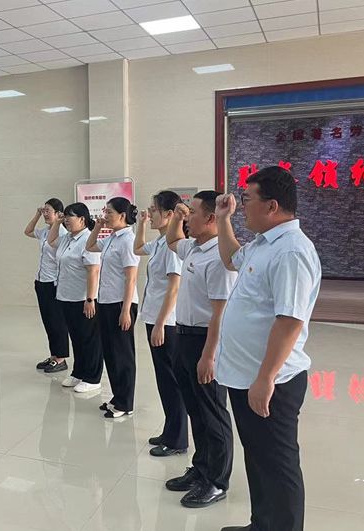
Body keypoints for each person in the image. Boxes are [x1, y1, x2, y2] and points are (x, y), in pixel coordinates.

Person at [215, 167, 321, 531]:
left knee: (278, 465)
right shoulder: (263, 244)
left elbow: (289, 321)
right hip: (246, 376)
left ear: (272, 206)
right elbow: (230, 258)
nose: (242, 206)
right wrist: (222, 219)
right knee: (259, 459)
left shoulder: (291, 251)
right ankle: (261, 524)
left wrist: (265, 378)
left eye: (247, 199)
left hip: (272, 381)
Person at [164, 190, 237, 509]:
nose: (187, 218)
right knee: (195, 408)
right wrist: (178, 216)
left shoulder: (219, 258)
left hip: (206, 340)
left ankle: (217, 481)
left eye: (192, 213)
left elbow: (220, 312)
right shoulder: (193, 248)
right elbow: (171, 240)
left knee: (212, 412)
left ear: (210, 218)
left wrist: (209, 356)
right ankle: (201, 467)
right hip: (184, 336)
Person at [134, 191, 187, 456]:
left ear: (169, 214)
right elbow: (137, 249)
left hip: (166, 323)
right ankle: (170, 430)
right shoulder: (159, 243)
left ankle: (177, 440)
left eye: (154, 209)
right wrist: (142, 224)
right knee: (163, 379)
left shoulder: (174, 247)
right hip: (155, 318)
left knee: (172, 381)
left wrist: (160, 323)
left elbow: (174, 289)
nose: (150, 212)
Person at [86, 197, 140, 419]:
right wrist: (97, 227)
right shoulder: (111, 239)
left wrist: (126, 310)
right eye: (105, 212)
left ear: (122, 216)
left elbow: (131, 278)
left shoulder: (128, 240)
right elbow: (90, 246)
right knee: (110, 352)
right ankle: (117, 397)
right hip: (106, 301)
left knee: (122, 354)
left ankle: (126, 403)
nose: (105, 216)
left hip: (121, 303)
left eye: (109, 212)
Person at [47, 203, 103, 394]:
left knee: (89, 338)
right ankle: (78, 372)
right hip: (66, 296)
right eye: (65, 216)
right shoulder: (67, 238)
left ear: (82, 219)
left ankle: (93, 377)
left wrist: (90, 299)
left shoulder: (88, 240)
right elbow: (51, 240)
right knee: (76, 337)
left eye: (69, 216)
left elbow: (93, 271)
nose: (66, 220)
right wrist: (57, 222)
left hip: (83, 298)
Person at [24, 199, 70, 373]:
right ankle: (53, 355)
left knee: (57, 321)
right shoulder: (44, 231)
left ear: (58, 213)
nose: (45, 214)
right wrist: (37, 214)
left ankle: (61, 358)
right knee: (48, 321)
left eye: (47, 210)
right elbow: (28, 231)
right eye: (44, 210)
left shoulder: (63, 233)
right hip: (41, 280)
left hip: (54, 283)